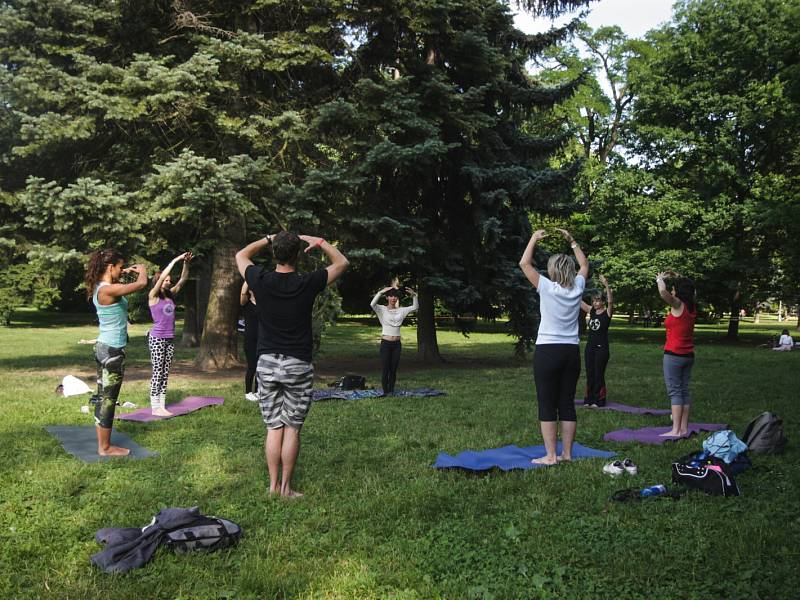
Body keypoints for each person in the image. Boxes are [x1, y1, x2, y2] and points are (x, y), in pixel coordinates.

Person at [236, 231, 349, 498]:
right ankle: (286, 488)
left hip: (267, 363)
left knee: (274, 426)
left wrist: (267, 238)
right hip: (298, 362)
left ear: (275, 253)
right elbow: (342, 263)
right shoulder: (307, 282)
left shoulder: (259, 279)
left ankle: (272, 486)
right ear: (298, 255)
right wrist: (319, 242)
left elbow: (241, 255)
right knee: (292, 426)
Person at [519, 228, 589, 465]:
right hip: (571, 352)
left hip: (548, 351)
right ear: (569, 270)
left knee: (547, 402)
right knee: (567, 402)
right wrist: (572, 241)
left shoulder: (547, 287)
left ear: (552, 271)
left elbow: (524, 263)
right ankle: (567, 454)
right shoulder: (578, 287)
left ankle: (551, 456)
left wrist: (534, 239)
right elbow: (585, 265)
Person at [84, 249, 148, 456]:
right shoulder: (107, 290)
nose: (122, 271)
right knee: (108, 399)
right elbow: (141, 285)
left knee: (103, 397)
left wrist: (125, 271)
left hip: (105, 348)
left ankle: (102, 444)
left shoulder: (102, 288)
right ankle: (105, 448)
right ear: (110, 267)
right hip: (111, 351)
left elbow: (123, 285)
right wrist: (142, 270)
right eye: (120, 267)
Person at [147, 252, 192, 416]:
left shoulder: (170, 295)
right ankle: (154, 407)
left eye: (168, 280)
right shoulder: (153, 296)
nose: (168, 281)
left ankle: (162, 405)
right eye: (165, 280)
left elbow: (183, 279)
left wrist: (186, 263)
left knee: (165, 372)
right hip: (157, 339)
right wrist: (175, 260)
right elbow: (161, 277)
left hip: (169, 338)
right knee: (157, 372)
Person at [656, 271, 696, 437]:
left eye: (674, 289)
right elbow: (691, 287)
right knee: (684, 391)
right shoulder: (692, 305)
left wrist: (660, 279)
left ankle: (676, 430)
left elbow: (662, 293)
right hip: (688, 355)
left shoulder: (678, 304)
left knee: (675, 392)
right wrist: (679, 276)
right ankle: (684, 428)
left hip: (674, 355)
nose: (672, 292)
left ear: (678, 292)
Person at [370, 283, 418, 395]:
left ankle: (391, 391)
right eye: (391, 296)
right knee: (385, 369)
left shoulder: (402, 310)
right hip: (386, 344)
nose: (393, 298)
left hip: (397, 344)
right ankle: (385, 392)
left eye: (395, 296)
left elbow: (415, 307)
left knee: (393, 369)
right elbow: (372, 304)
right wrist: (381, 292)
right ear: (387, 298)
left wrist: (414, 295)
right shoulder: (381, 309)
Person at [580, 274, 613, 407]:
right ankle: (589, 399)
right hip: (590, 347)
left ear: (602, 302)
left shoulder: (607, 313)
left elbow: (611, 302)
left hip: (602, 348)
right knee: (590, 373)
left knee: (599, 373)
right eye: (594, 300)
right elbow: (580, 303)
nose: (595, 303)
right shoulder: (592, 311)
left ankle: (599, 400)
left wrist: (606, 284)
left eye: (598, 300)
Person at [240, 281, 259, 400]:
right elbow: (242, 293)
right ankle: (248, 392)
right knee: (252, 366)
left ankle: (258, 391)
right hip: (250, 339)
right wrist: (248, 278)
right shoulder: (246, 303)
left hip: (262, 340)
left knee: (261, 367)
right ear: (251, 290)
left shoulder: (264, 304)